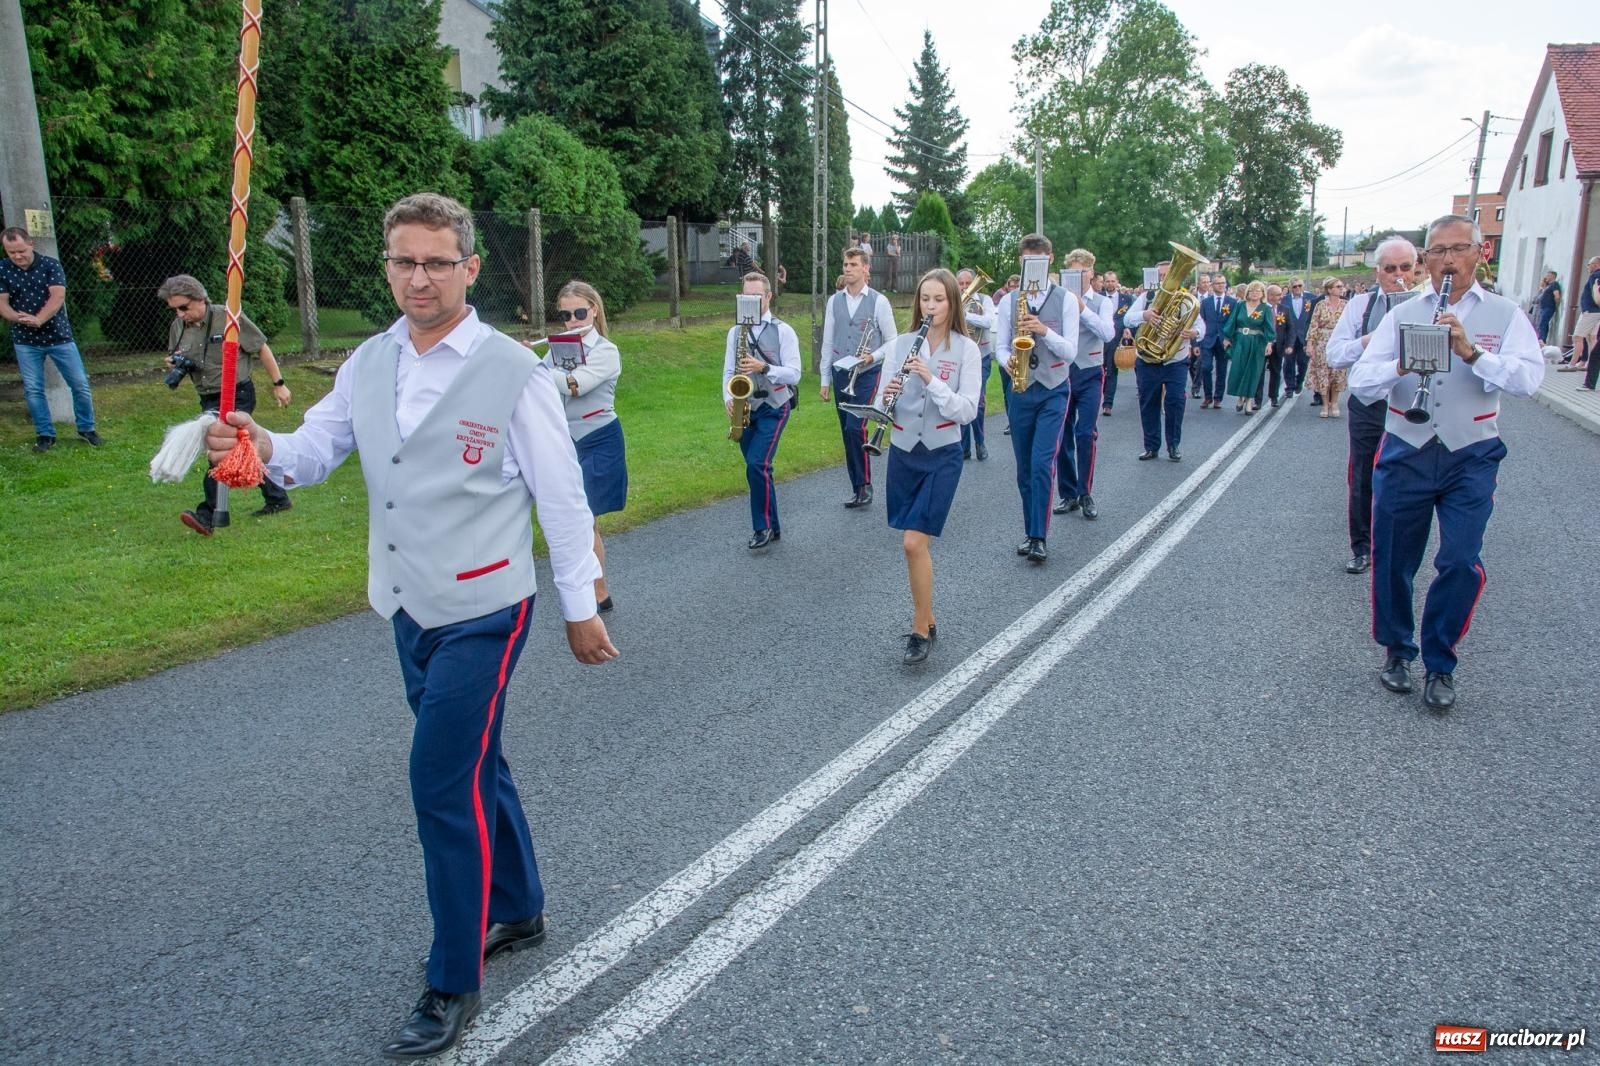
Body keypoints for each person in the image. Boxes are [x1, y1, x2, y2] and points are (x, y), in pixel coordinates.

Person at [204, 192, 617, 1059]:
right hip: (406, 602)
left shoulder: (514, 372)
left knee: (439, 782)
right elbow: (314, 451)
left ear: (469, 268)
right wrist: (260, 444)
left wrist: (580, 607)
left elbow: (562, 499)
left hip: (486, 609)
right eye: (404, 261)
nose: (419, 278)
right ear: (387, 266)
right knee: (474, 761)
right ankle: (520, 905)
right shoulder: (370, 361)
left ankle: (453, 977)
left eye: (436, 262)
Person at [1348, 214, 1543, 712]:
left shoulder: (1505, 314)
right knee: (1394, 557)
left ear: (1479, 253)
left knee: (1459, 560)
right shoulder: (1402, 313)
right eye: (1437, 251)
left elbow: (1527, 381)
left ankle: (1440, 660)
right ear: (1425, 261)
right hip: (1406, 447)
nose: (1448, 260)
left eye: (1459, 249)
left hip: (1470, 452)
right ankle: (1397, 649)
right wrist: (1402, 364)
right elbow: (1360, 382)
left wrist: (1472, 352)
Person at [871, 268, 981, 663]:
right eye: (925, 299)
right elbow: (882, 401)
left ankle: (920, 630)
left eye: (939, 299)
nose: (930, 306)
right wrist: (888, 395)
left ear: (952, 303)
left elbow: (967, 411)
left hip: (942, 453)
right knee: (913, 546)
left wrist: (931, 380)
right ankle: (929, 617)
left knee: (913, 543)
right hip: (904, 450)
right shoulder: (900, 345)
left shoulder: (966, 350)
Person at [155, 274, 293, 534]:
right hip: (208, 396)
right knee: (239, 447)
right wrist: (174, 363)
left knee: (220, 451)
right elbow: (176, 354)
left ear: (200, 299)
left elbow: (261, 347)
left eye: (183, 307)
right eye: (174, 310)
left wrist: (279, 383)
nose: (180, 314)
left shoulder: (228, 318)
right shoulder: (178, 327)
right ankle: (277, 497)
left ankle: (207, 515)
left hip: (237, 393)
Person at [1326, 236, 1419, 576]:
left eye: (1405, 268)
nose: (1399, 275)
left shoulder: (1426, 303)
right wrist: (1368, 340)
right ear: (1377, 271)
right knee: (1363, 474)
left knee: (1410, 477)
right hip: (1370, 401)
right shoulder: (1360, 306)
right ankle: (1362, 547)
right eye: (1390, 269)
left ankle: (1397, 547)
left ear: (1416, 270)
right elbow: (1335, 354)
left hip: (1411, 403)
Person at [994, 233, 1079, 562]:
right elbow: (1001, 346)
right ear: (1021, 261)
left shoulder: (1066, 299)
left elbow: (1070, 352)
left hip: (1054, 387)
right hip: (1020, 389)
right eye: (1027, 261)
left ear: (1050, 260)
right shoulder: (1008, 301)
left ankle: (1039, 536)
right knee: (1024, 468)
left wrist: (1043, 330)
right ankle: (1031, 530)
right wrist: (1008, 361)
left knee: (1042, 462)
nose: (1032, 267)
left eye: (1039, 261)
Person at [545, 280, 625, 612]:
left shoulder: (606, 351)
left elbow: (575, 385)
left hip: (599, 439)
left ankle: (597, 591)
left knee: (584, 518)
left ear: (593, 310)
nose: (572, 321)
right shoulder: (558, 348)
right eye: (566, 315)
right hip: (567, 442)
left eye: (579, 313)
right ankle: (595, 591)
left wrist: (533, 367)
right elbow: (542, 387)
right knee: (579, 520)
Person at [0, 227, 101, 452]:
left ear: (31, 244)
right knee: (33, 389)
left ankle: (87, 429)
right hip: (25, 340)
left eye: (21, 251)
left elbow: (57, 297)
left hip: (59, 337)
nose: (17, 256)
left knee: (79, 384)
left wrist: (39, 319)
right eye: (11, 252)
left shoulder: (50, 265)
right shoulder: (2, 269)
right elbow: (2, 304)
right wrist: (19, 318)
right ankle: (45, 434)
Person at [723, 271, 800, 550]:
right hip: (746, 407)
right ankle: (774, 526)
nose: (750, 302)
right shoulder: (735, 332)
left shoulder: (783, 331)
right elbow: (728, 371)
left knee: (757, 464)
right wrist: (728, 398)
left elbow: (795, 374)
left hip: (775, 406)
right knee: (759, 468)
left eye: (756, 297)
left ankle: (762, 528)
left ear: (768, 296)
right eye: (746, 297)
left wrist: (764, 367)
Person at [820, 246, 898, 508]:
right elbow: (828, 341)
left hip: (866, 373)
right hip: (841, 372)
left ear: (866, 268)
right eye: (845, 264)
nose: (848, 268)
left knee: (855, 428)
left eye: (853, 264)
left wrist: (872, 357)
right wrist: (824, 380)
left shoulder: (879, 301)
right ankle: (857, 487)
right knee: (846, 431)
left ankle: (865, 485)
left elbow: (893, 341)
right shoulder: (834, 301)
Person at [1054, 251, 1115, 520]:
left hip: (1090, 371)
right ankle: (1068, 494)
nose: (1077, 277)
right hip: (1063, 372)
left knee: (1085, 432)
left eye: (1081, 272)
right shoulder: (1059, 300)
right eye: (1071, 273)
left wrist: (1082, 309)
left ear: (1091, 272)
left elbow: (1107, 333)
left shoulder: (1102, 302)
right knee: (1063, 433)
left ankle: (1085, 492)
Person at [1125, 259, 1203, 461]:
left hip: (1175, 359)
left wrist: (1194, 332)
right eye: (1161, 276)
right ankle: (1151, 447)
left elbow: (1201, 326)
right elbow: (1127, 319)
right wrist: (1145, 315)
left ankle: (1173, 445)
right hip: (1148, 359)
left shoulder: (1186, 299)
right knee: (1148, 402)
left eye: (1169, 275)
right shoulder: (1147, 296)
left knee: (1175, 401)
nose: (1165, 279)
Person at [956, 267, 996, 461]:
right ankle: (964, 447)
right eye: (961, 284)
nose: (965, 287)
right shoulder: (952, 300)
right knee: (962, 400)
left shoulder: (985, 300)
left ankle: (980, 442)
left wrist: (963, 315)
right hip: (960, 357)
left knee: (978, 402)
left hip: (982, 356)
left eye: (968, 283)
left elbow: (988, 321)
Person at [1222, 282, 1274, 414]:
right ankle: (1240, 397)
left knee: (1253, 371)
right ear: (1247, 293)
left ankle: (1249, 400)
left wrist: (1269, 343)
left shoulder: (1265, 308)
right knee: (1239, 369)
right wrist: (1227, 337)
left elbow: (1269, 327)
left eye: (1258, 291)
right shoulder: (1240, 305)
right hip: (1240, 341)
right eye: (1252, 291)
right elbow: (1232, 321)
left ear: (1262, 293)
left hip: (1257, 342)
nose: (1254, 293)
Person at [1304, 277, 1348, 417]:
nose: (1341, 289)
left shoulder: (1346, 305)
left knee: (1337, 372)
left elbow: (1352, 324)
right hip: (1322, 343)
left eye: (1341, 286)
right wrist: (1310, 344)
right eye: (1338, 286)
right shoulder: (1321, 305)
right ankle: (1324, 404)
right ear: (1329, 290)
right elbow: (1313, 325)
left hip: (1339, 342)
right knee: (1323, 373)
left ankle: (1334, 402)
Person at [1196, 273, 1235, 409]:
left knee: (1221, 370)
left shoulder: (1232, 302)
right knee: (1206, 367)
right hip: (1207, 339)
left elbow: (1233, 322)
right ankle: (1208, 396)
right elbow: (1200, 322)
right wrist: (1196, 343)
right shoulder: (1206, 302)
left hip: (1224, 341)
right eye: (1218, 283)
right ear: (1212, 285)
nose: (1221, 285)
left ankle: (1218, 398)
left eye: (1223, 283)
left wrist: (1229, 338)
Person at [1100, 271, 1133, 417]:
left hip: (1117, 341)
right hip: (1100, 341)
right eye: (1107, 281)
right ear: (1104, 283)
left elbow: (1130, 318)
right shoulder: (1099, 298)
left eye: (1113, 281)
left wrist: (1128, 329)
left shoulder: (1127, 299)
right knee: (1100, 372)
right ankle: (1099, 398)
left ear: (1117, 282)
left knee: (1112, 372)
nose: (1110, 284)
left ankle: (1108, 404)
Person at [1278, 277, 1314, 401]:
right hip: (1289, 337)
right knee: (1289, 363)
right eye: (1294, 286)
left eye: (1300, 285)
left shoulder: (1311, 298)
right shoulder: (1284, 300)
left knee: (1303, 363)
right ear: (1290, 288)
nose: (1297, 288)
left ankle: (1299, 381)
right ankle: (1289, 387)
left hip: (1305, 336)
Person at [1571, 255, 1599, 386]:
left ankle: (1572, 363)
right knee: (1592, 338)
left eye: (1589, 264)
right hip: (1595, 311)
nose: (1588, 267)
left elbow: (1595, 293)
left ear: (1596, 265)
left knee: (1577, 337)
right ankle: (1586, 362)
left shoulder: (1595, 276)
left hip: (1590, 311)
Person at [1262, 283, 1287, 407]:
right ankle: (1257, 399)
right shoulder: (1261, 308)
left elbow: (1290, 327)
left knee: (1276, 371)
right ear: (1270, 296)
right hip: (1262, 344)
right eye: (1278, 294)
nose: (1280, 297)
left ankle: (1274, 397)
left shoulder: (1284, 309)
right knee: (1259, 372)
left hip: (1277, 345)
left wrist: (1289, 344)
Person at [1533, 270, 1561, 345]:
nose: (1546, 277)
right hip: (1544, 307)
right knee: (1542, 323)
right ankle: (1541, 339)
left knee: (1543, 323)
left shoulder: (1554, 284)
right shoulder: (1548, 285)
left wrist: (1556, 304)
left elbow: (1557, 296)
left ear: (1553, 276)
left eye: (1548, 275)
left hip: (1548, 307)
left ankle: (1542, 340)